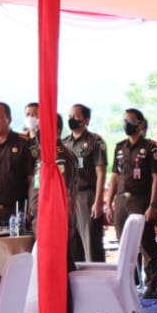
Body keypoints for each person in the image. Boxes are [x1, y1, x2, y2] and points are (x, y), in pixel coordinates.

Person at [106, 108, 157, 299]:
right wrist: (109, 203)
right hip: (121, 199)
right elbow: (114, 176)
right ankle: (129, 281)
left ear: (140, 124)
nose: (126, 124)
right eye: (125, 120)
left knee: (146, 242)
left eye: (131, 120)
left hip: (141, 200)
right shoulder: (120, 147)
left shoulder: (150, 147)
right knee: (124, 243)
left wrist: (153, 205)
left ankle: (151, 284)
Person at [0, 102, 38, 225]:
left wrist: (30, 210)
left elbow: (32, 179)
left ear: (8, 119)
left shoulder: (24, 143)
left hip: (17, 210)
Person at [64, 103, 108, 263]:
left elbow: (101, 172)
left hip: (87, 196)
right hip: (69, 196)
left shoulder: (95, 141)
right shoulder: (64, 143)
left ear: (86, 120)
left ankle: (96, 276)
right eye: (70, 116)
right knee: (71, 244)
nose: (71, 119)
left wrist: (98, 201)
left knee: (91, 244)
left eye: (76, 116)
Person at [27, 113, 82, 229]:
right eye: (38, 127)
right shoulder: (45, 155)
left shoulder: (60, 157)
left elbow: (64, 193)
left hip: (53, 220)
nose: (38, 131)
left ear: (56, 131)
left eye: (42, 127)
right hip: (41, 218)